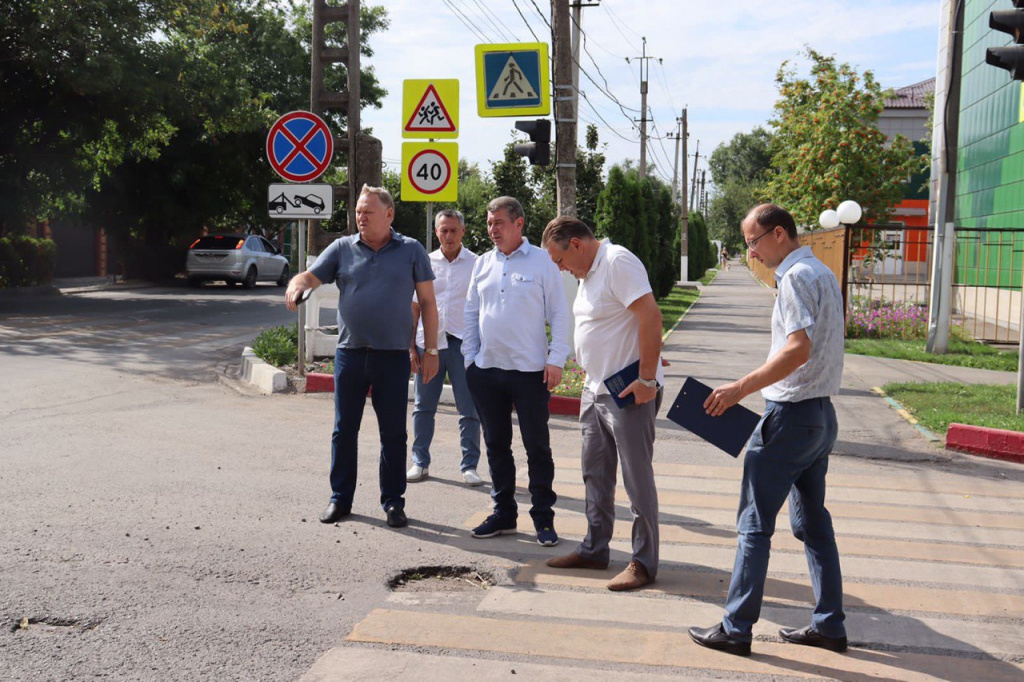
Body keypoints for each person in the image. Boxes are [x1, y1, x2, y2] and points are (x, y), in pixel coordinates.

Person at [688, 203, 846, 657]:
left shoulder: (795, 277)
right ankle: (830, 626)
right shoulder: (820, 271)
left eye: (753, 242)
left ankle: (736, 629)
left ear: (779, 234)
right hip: (820, 416)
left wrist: (740, 388)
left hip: (791, 416)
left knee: (754, 525)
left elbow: (797, 349)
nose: (750, 253)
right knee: (813, 524)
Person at [284, 185, 439, 530]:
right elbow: (310, 276)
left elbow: (428, 303)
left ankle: (393, 503)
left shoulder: (411, 250)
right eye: (357, 211)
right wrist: (297, 283)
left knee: (394, 435)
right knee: (344, 430)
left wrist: (430, 350)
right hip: (350, 355)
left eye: (368, 212)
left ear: (389, 215)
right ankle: (340, 498)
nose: (360, 217)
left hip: (393, 357)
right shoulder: (343, 248)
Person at [540, 217, 665, 592]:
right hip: (595, 389)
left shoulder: (616, 262)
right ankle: (595, 549)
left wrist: (646, 378)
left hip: (627, 392)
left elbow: (651, 316)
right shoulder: (587, 274)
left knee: (636, 479)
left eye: (560, 260)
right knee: (595, 472)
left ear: (576, 244)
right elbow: (618, 323)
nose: (559, 268)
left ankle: (643, 563)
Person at [463, 196, 570, 547]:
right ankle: (504, 513)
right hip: (487, 371)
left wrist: (556, 359)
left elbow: (559, 314)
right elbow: (470, 312)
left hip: (530, 373)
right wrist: (470, 359)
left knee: (537, 448)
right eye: (489, 223)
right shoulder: (482, 264)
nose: (492, 229)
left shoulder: (542, 263)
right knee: (496, 446)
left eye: (499, 223)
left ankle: (543, 519)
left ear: (519, 224)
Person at [406, 209, 482, 486]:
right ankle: (420, 462)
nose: (448, 235)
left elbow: (483, 308)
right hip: (429, 345)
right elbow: (414, 307)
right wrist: (411, 347)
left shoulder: (477, 264)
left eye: (453, 230)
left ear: (462, 231)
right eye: (443, 230)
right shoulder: (425, 263)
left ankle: (469, 466)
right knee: (423, 406)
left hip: (464, 345)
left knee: (469, 409)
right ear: (436, 232)